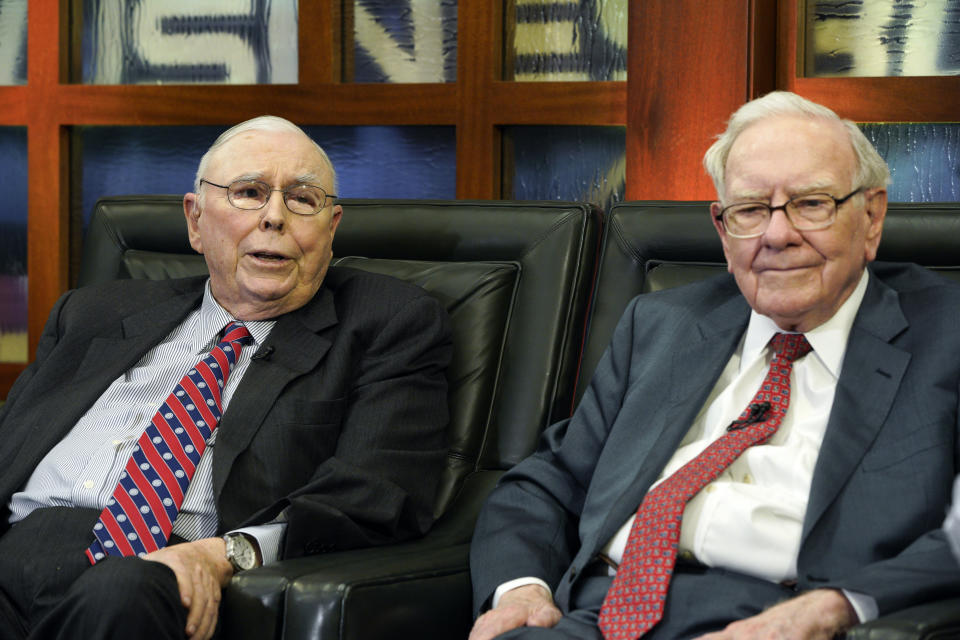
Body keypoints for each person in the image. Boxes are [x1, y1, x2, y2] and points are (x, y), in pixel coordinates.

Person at [468, 91, 960, 640]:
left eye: (811, 203)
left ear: (871, 217)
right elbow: (546, 483)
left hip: (777, 618)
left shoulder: (947, 334)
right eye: (751, 210)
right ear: (724, 233)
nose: (777, 234)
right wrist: (520, 589)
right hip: (594, 614)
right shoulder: (662, 323)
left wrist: (836, 607)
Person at [0, 116, 451, 640]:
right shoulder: (93, 312)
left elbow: (376, 495)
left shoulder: (387, 323)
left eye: (303, 199)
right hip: (15, 550)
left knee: (123, 592)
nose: (275, 218)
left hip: (156, 575)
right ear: (195, 221)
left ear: (330, 231)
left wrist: (226, 554)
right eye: (249, 192)